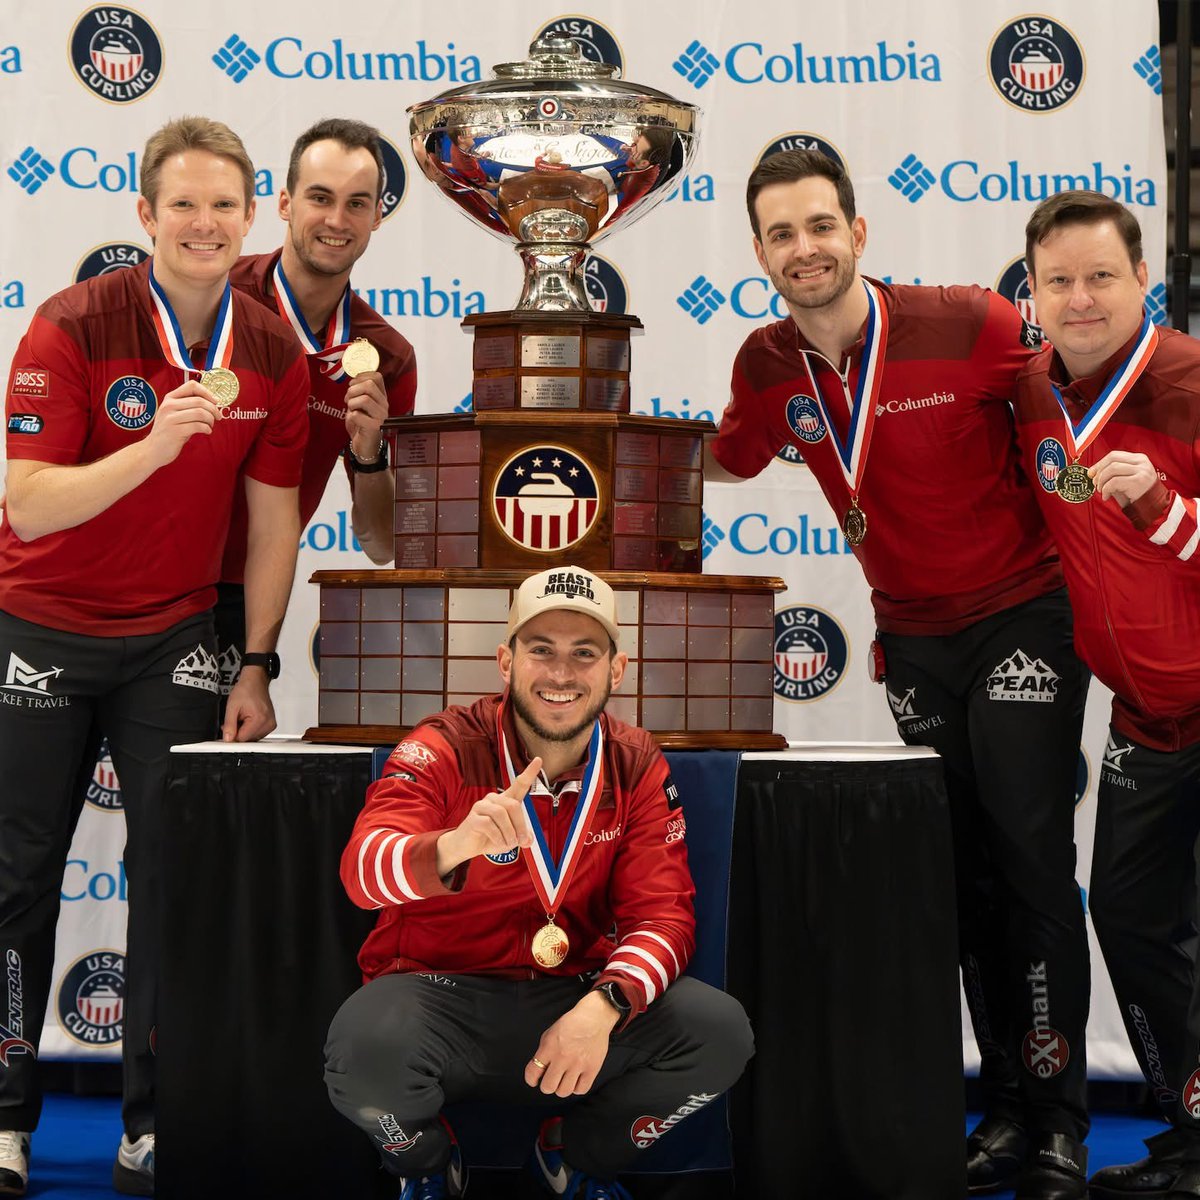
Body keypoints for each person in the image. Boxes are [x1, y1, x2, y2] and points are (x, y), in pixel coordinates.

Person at [704, 149, 1091, 1199]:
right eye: (782, 234)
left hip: (1025, 617)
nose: (804, 249)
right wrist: (603, 449)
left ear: (858, 233)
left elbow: (1064, 446)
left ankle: (1059, 1119)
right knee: (960, 872)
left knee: (1031, 863)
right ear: (758, 253)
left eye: (820, 225)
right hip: (914, 639)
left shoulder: (973, 321)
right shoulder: (768, 364)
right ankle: (1008, 1108)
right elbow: (725, 458)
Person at [0, 117, 308, 1196]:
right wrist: (156, 446)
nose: (204, 223)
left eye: (224, 204)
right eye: (183, 203)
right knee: (17, 876)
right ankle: (4, 1122)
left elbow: (275, 525)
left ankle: (154, 1122)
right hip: (37, 625)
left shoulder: (272, 349)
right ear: (144, 216)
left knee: (172, 878)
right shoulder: (73, 325)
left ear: (249, 216)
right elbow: (29, 506)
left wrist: (258, 663)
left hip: (175, 635)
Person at [323, 566, 753, 1200]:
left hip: (573, 997)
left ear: (616, 670)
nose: (560, 674)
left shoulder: (635, 762)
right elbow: (363, 871)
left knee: (718, 1033)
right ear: (505, 660)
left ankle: (575, 1156)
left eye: (585, 653)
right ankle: (425, 1162)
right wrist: (453, 846)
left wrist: (605, 1005)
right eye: (540, 650)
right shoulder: (443, 745)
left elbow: (664, 917)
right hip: (440, 998)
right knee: (364, 1051)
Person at [1012, 191, 1200, 1199]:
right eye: (1060, 280)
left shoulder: (1191, 381)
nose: (1081, 299)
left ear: (1143, 282)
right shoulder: (1033, 394)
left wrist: (1170, 513)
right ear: (1033, 294)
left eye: (1102, 276)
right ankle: (1190, 1130)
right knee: (1129, 915)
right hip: (1144, 713)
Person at [221, 117, 416, 690]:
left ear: (379, 215)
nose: (336, 220)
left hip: (241, 596)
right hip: (147, 576)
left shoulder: (386, 357)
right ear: (283, 202)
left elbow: (380, 544)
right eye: (320, 198)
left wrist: (370, 451)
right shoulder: (212, 298)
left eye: (357, 203)